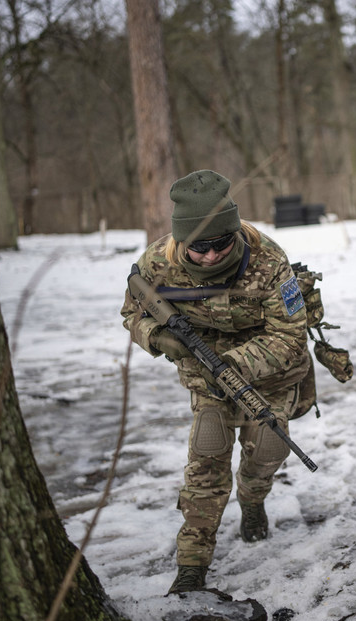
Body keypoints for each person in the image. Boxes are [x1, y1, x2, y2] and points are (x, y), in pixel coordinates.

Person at [121, 170, 312, 594]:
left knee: (268, 447)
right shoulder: (156, 263)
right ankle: (192, 564)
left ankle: (253, 498)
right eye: (199, 247)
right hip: (203, 374)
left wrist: (232, 364)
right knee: (207, 460)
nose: (210, 256)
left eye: (221, 244)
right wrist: (158, 338)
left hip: (271, 372)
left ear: (236, 232)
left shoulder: (269, 260)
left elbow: (289, 335)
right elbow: (132, 313)